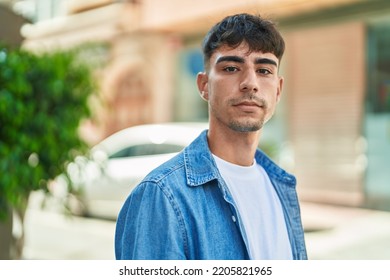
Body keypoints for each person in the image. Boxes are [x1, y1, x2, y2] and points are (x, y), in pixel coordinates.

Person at [115, 13, 307, 260]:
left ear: (278, 89)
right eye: (231, 68)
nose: (250, 83)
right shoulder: (162, 196)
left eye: (264, 70)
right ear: (204, 85)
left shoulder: (282, 187)